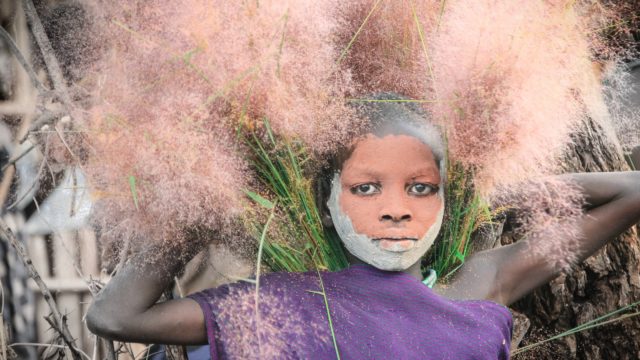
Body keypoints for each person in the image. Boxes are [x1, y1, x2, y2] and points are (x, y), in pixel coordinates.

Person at [86, 94, 640, 359]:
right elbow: (115, 316)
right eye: (366, 188)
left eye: (420, 188)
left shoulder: (475, 288)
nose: (397, 210)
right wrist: (194, 206)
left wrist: (491, 196)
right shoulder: (280, 305)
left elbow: (632, 191)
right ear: (326, 203)